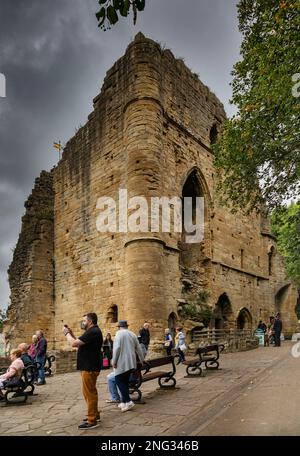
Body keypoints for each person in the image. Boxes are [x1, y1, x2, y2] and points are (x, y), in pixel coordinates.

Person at [63, 313, 103, 430]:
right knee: (89, 392)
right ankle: (95, 414)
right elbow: (79, 342)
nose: (82, 322)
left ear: (90, 321)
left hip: (89, 367)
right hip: (89, 367)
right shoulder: (92, 332)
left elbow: (74, 343)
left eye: (84, 320)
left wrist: (66, 333)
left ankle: (92, 420)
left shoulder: (93, 332)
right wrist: (70, 333)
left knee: (89, 394)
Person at [112, 320, 144, 412]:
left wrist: (114, 361)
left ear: (119, 327)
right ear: (126, 326)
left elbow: (117, 348)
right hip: (131, 362)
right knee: (125, 381)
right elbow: (138, 347)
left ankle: (129, 402)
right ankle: (123, 401)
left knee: (118, 380)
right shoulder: (132, 334)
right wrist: (142, 359)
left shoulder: (119, 334)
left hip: (121, 362)